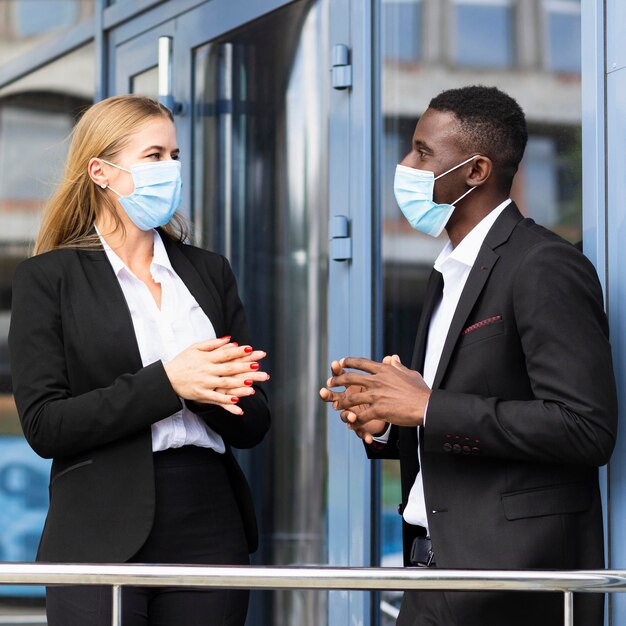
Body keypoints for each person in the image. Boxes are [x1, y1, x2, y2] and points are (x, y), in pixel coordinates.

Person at [320, 85, 617, 626]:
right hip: (432, 574)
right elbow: (454, 419)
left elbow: (585, 427)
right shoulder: (448, 273)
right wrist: (388, 421)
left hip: (511, 586)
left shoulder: (543, 265)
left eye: (422, 152)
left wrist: (428, 407)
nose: (405, 165)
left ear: (476, 171)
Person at [8, 94, 270, 626]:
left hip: (209, 517)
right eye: (154, 156)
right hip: (98, 520)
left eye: (174, 155)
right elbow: (43, 425)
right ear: (101, 171)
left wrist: (217, 392)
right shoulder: (49, 278)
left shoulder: (207, 271)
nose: (170, 169)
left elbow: (255, 422)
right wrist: (171, 383)